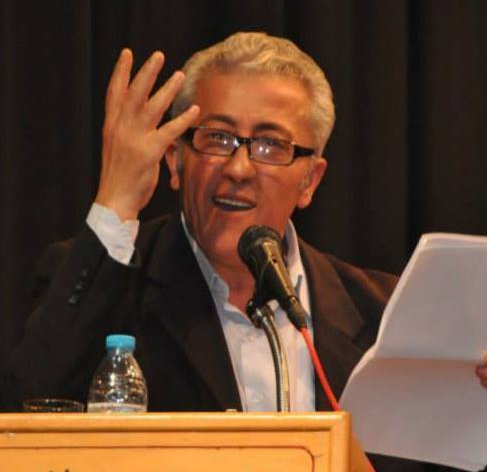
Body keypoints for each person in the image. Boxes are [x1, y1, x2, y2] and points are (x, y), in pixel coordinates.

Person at [1, 32, 486, 471]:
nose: (238, 168)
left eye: (271, 145)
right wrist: (115, 203)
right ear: (175, 160)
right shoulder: (105, 284)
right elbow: (27, 415)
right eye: (217, 138)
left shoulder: (386, 315)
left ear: (310, 180)